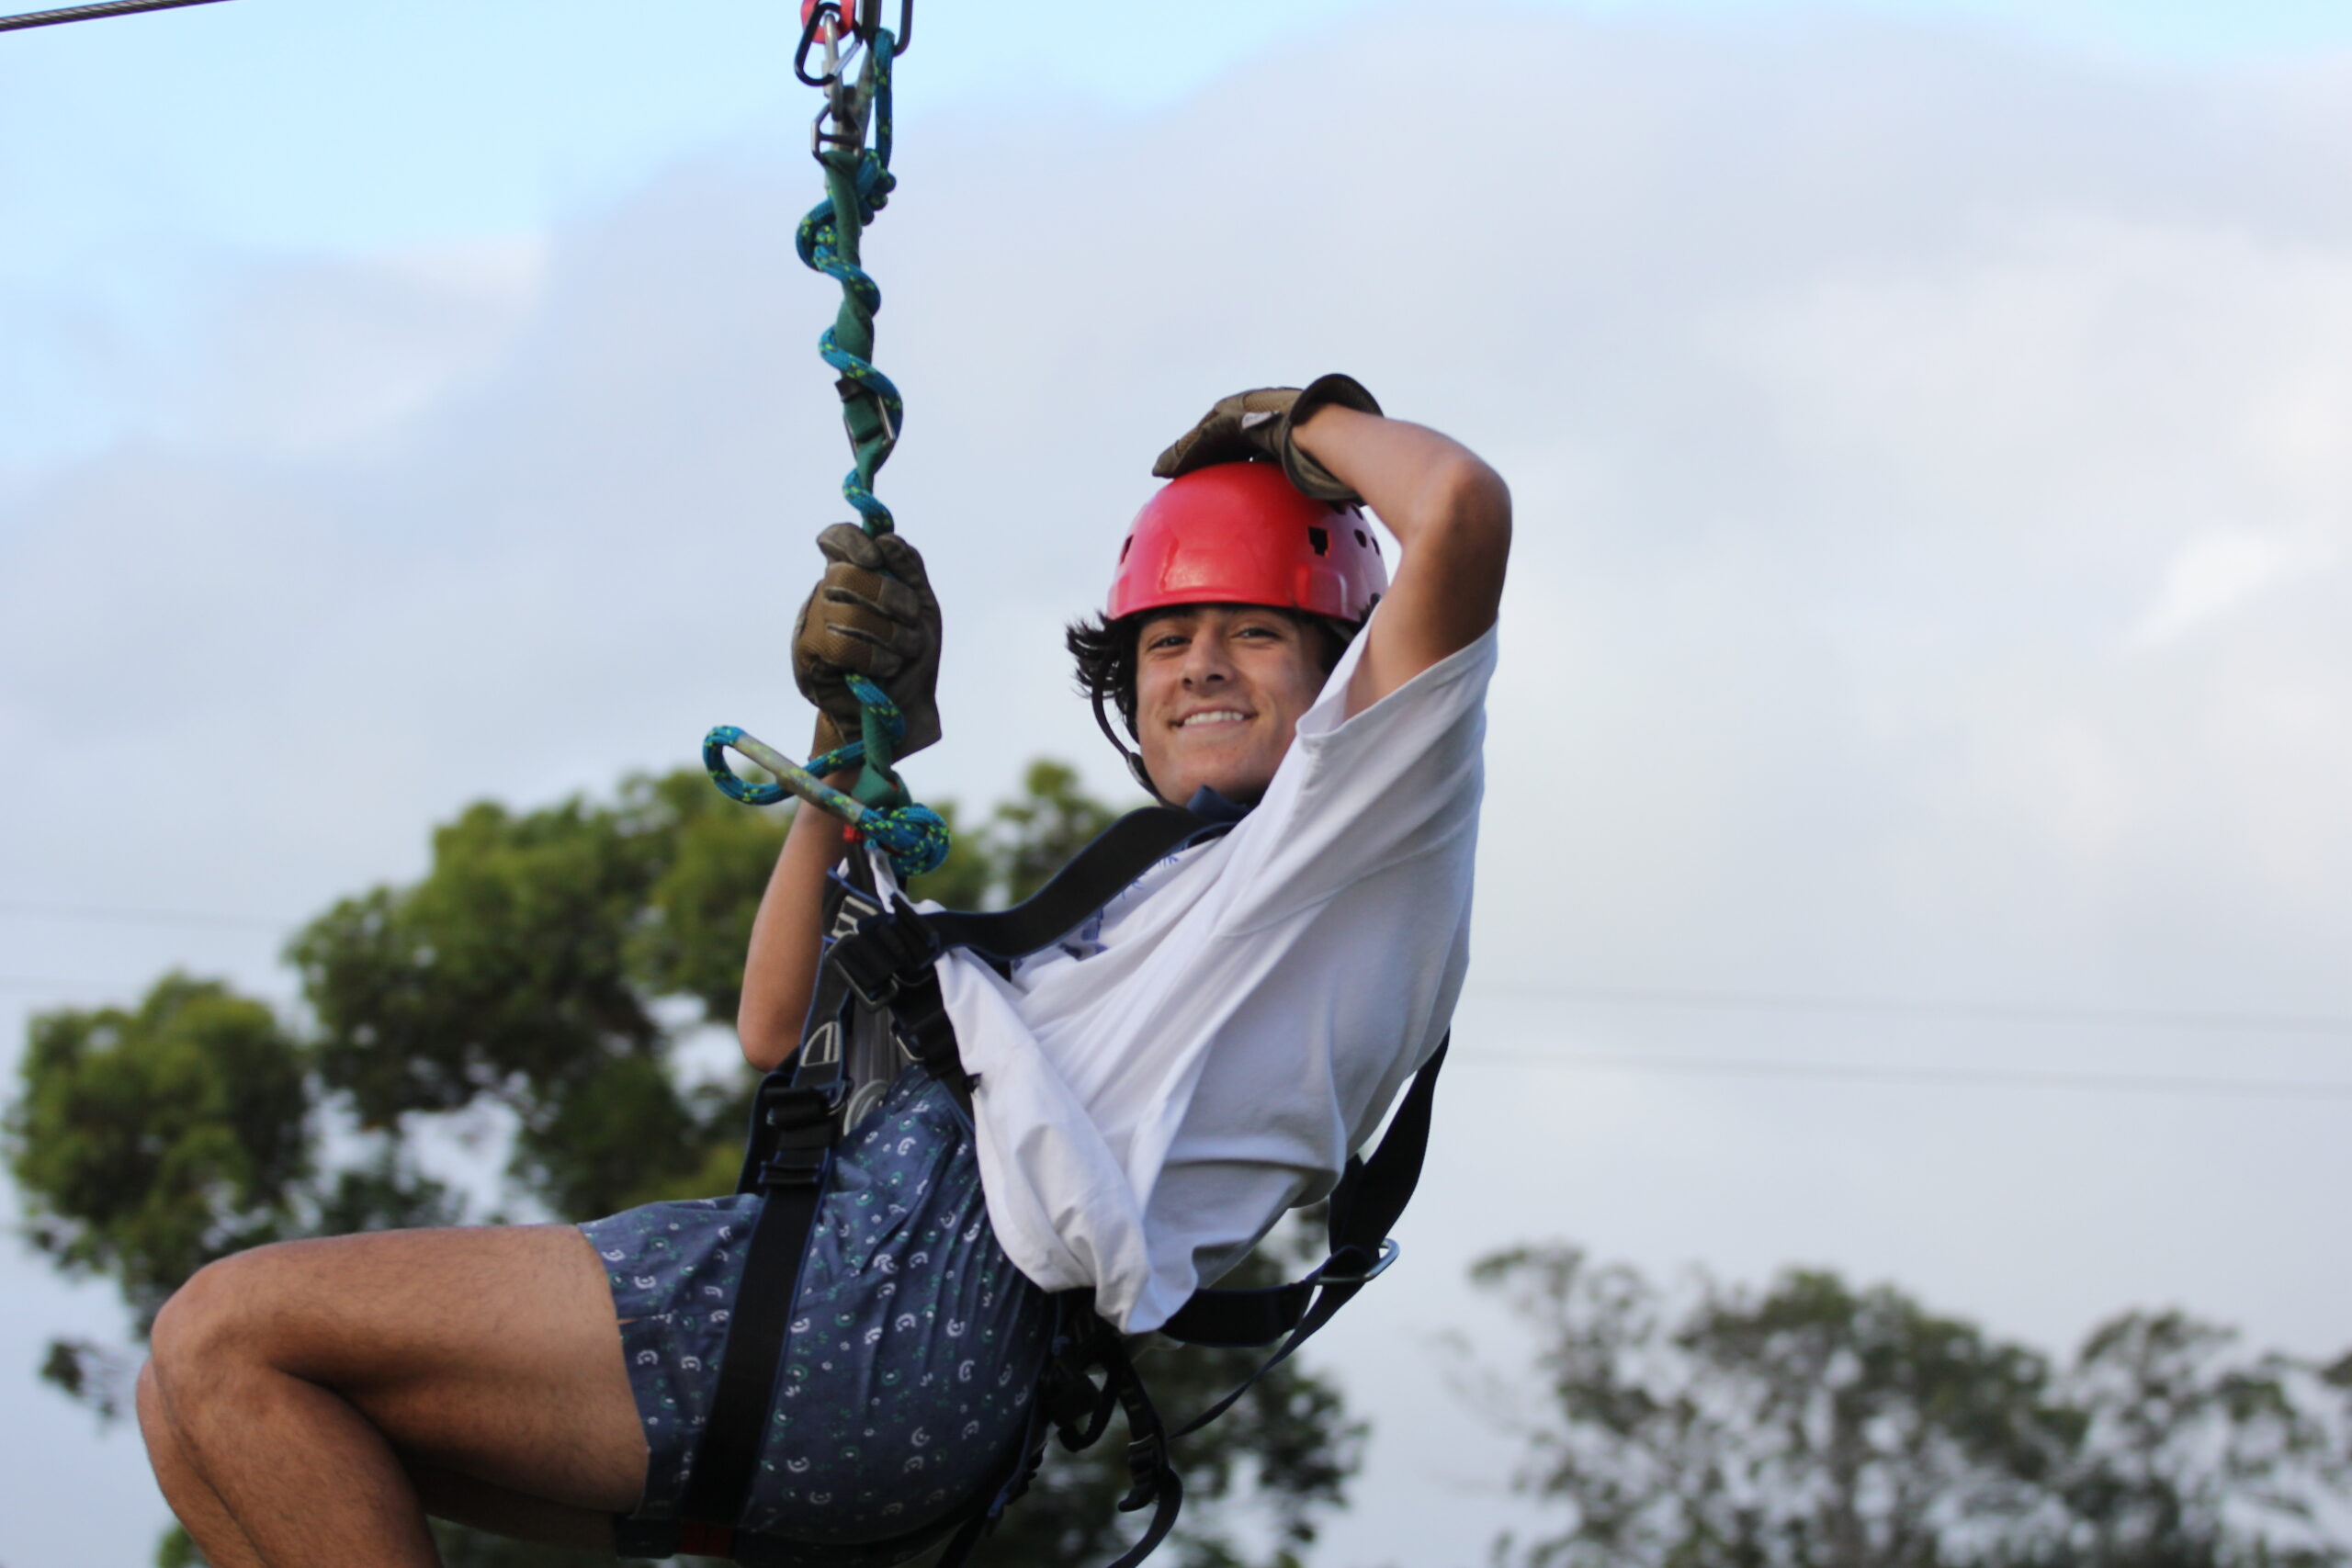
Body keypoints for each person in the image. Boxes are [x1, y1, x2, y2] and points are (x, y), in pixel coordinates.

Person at [133, 377, 1510, 1566]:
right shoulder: (1146, 913)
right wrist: (849, 759)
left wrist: (1296, 420)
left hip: (896, 1311)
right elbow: (775, 1025)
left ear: (1344, 673)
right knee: (201, 1401)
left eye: (1256, 631)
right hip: (861, 1312)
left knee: (234, 1333)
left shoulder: (1368, 822)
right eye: (1166, 639)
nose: (1201, 664)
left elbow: (1460, 508)